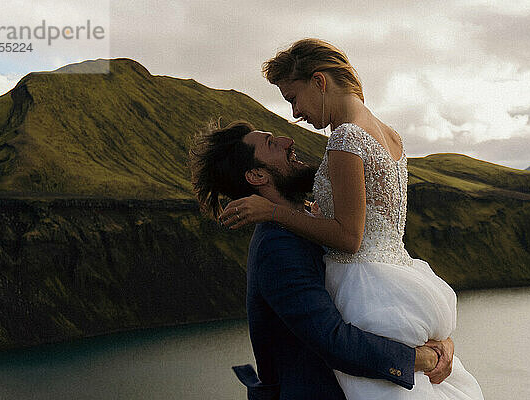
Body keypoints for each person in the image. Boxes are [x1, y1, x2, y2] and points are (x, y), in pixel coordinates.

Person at [219, 39, 484, 399]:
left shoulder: (346, 138)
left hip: (365, 285)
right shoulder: (390, 135)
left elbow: (349, 237)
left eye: (292, 98)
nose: (295, 115)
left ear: (319, 81)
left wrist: (273, 211)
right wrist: (423, 353)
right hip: (400, 280)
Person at [189, 121, 453, 400]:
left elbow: (377, 291)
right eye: (270, 143)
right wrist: (423, 359)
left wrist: (439, 339)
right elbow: (333, 340)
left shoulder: (312, 221)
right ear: (256, 175)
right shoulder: (277, 247)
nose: (287, 140)